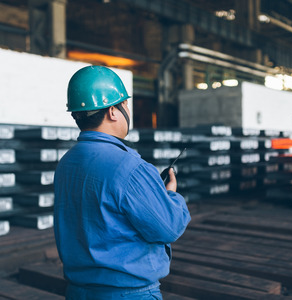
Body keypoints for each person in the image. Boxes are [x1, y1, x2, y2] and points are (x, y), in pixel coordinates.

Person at [53, 65, 191, 300]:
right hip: (128, 294)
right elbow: (168, 227)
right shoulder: (130, 167)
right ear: (113, 112)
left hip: (78, 292)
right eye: (125, 103)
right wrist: (170, 196)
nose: (127, 109)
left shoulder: (67, 163)